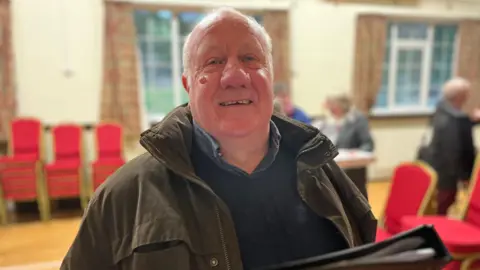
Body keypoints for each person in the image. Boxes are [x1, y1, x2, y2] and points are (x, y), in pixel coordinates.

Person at [61, 7, 376, 270]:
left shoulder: (327, 175)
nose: (234, 76)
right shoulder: (124, 196)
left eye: (251, 59)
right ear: (188, 84)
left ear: (271, 76)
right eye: (213, 62)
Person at [420, 78, 477, 216]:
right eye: (467, 93)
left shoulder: (439, 110)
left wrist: (471, 122)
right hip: (448, 174)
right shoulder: (459, 119)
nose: (468, 97)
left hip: (432, 166)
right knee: (442, 207)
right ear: (460, 96)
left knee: (432, 206)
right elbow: (461, 150)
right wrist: (467, 175)